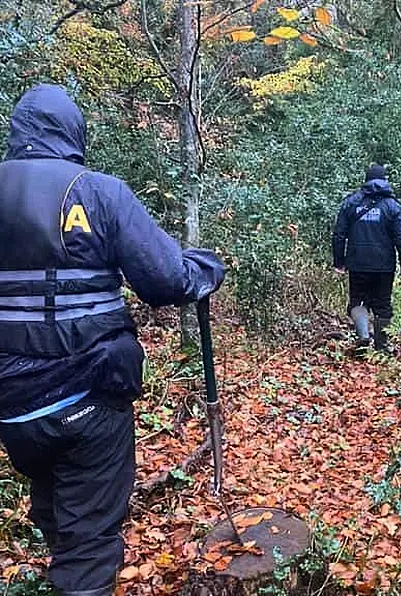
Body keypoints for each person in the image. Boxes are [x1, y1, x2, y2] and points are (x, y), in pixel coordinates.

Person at [0, 84, 225, 596]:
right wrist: (204, 269)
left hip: (12, 407)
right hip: (88, 396)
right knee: (90, 542)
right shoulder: (97, 191)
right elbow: (167, 280)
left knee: (54, 502)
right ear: (72, 131)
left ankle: (66, 564)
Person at [332, 164, 401, 353]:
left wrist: (339, 262)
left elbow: (339, 235)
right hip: (384, 265)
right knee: (382, 305)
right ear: (385, 181)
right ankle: (382, 348)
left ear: (366, 180)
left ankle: (364, 337)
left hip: (358, 263)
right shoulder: (392, 206)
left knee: (358, 301)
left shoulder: (351, 202)